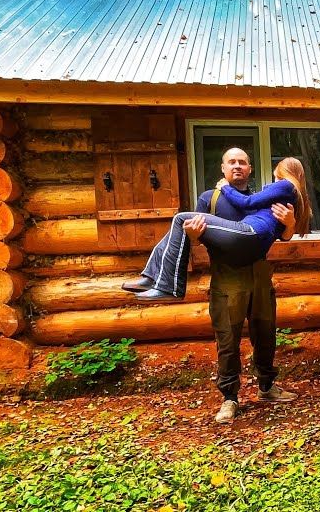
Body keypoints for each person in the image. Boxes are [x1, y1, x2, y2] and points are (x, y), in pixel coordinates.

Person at [121, 148, 305, 424]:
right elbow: (189, 239)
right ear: (222, 168)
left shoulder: (258, 198)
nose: (237, 166)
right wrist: (193, 235)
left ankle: (267, 387)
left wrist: (290, 224)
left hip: (258, 273)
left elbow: (281, 235)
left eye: (243, 162)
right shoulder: (210, 198)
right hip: (226, 277)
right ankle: (230, 398)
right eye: (231, 162)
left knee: (265, 334)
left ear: (250, 168)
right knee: (227, 341)